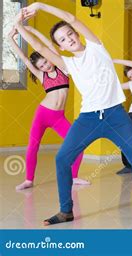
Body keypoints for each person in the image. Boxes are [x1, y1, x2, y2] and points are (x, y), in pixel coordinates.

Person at [16, 2, 132, 225]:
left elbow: (71, 18)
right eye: (62, 39)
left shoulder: (95, 46)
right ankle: (65, 211)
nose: (68, 39)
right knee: (62, 159)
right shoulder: (67, 63)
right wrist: (19, 26)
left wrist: (41, 6)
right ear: (59, 46)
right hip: (88, 118)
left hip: (116, 116)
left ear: (76, 33)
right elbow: (41, 50)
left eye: (69, 34)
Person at [9, 26, 88, 190]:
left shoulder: (63, 68)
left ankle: (74, 177)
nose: (46, 66)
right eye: (42, 66)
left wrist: (33, 31)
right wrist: (11, 39)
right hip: (42, 114)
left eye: (46, 61)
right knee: (33, 146)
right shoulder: (41, 75)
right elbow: (23, 58)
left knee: (78, 144)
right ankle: (28, 180)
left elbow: (49, 46)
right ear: (39, 69)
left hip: (59, 117)